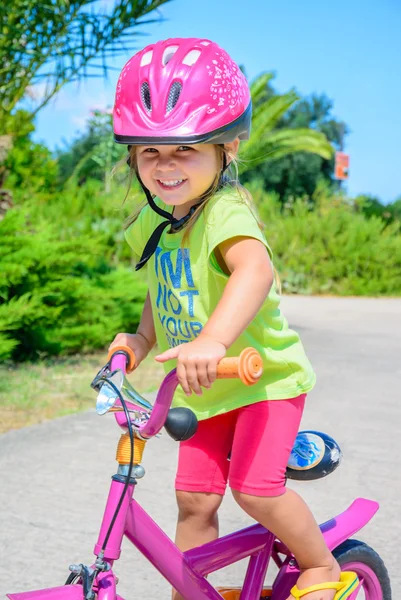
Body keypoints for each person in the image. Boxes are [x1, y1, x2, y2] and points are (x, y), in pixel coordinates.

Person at [109, 38, 357, 600]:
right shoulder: (158, 224)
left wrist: (215, 339)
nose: (165, 166)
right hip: (202, 392)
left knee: (255, 490)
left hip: (260, 377)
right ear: (132, 158)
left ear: (227, 146)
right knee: (193, 498)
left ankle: (319, 564)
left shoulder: (225, 210)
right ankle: (190, 590)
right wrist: (143, 337)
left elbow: (254, 271)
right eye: (150, 153)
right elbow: (163, 288)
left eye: (185, 149)